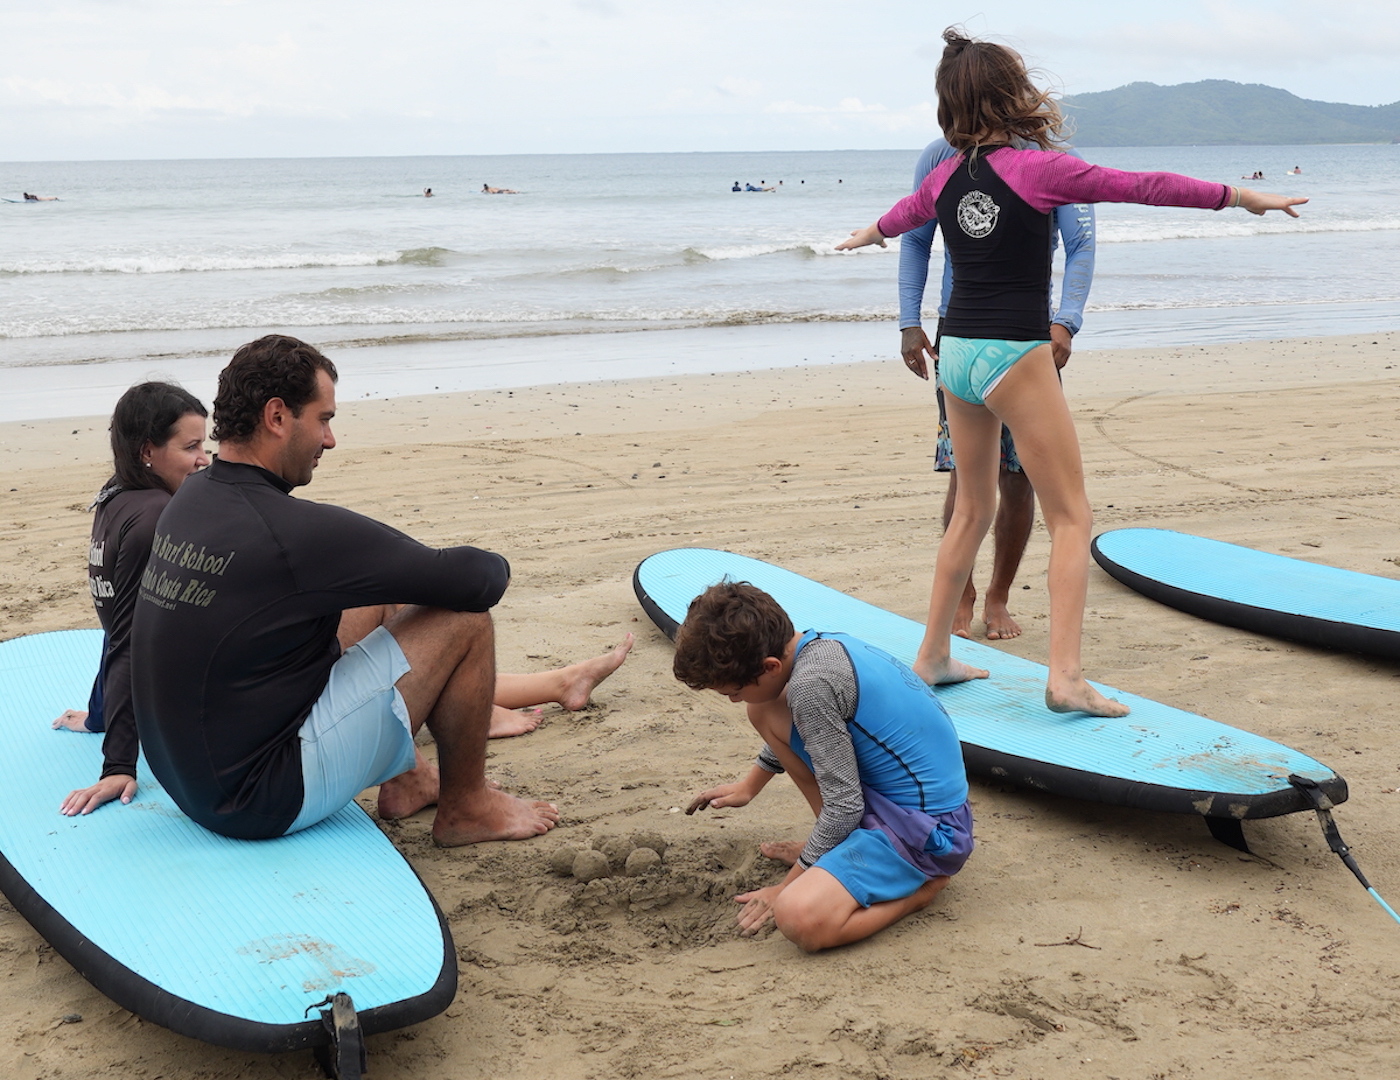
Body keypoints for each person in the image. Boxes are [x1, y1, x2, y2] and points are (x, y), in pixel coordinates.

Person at [836, 29, 1306, 717]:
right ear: (1010, 93)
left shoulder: (940, 175)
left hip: (957, 352)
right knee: (1072, 516)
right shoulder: (1040, 170)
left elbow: (902, 221)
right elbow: (1144, 186)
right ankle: (1065, 678)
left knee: (970, 508)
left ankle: (932, 655)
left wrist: (864, 235)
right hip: (1012, 352)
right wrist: (1241, 196)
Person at [131, 335, 559, 844]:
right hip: (257, 799)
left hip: (189, 778)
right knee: (464, 619)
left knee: (376, 591)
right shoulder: (287, 532)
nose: (329, 440)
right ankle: (467, 807)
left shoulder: (194, 495)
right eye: (324, 419)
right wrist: (494, 560)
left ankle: (412, 778)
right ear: (276, 416)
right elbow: (476, 581)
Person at [675, 582, 972, 953]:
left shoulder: (811, 687)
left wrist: (786, 887)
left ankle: (921, 890)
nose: (734, 700)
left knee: (798, 917)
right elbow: (812, 731)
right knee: (763, 707)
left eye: (732, 691)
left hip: (928, 834)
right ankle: (835, 853)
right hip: (908, 804)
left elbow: (844, 806)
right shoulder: (818, 646)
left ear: (770, 666)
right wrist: (750, 785)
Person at [900, 136, 1096, 640]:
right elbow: (915, 237)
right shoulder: (940, 155)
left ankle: (998, 596)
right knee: (965, 479)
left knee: (1022, 474)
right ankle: (961, 596)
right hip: (959, 330)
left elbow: (1080, 242)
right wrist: (908, 320)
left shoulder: (1052, 160)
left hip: (1030, 337)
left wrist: (1066, 321)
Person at [53, 383, 210, 815]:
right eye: (191, 446)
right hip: (181, 692)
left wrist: (97, 715)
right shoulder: (157, 515)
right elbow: (128, 644)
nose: (205, 458)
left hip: (143, 677)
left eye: (205, 444)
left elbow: (116, 620)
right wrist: (119, 765)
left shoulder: (116, 493)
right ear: (147, 450)